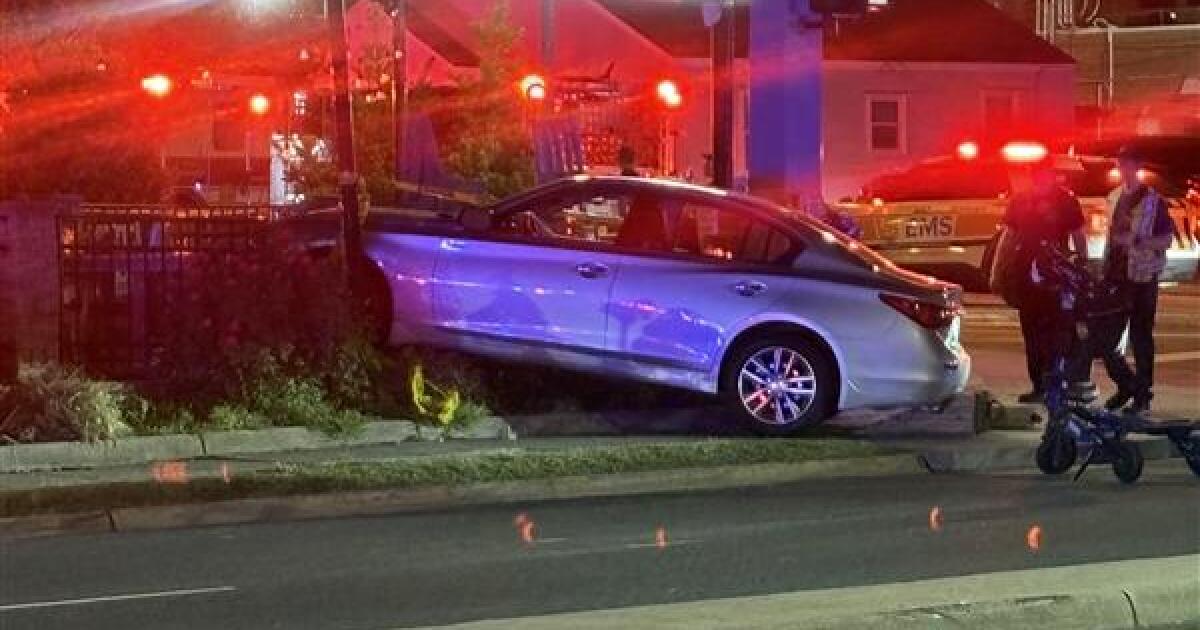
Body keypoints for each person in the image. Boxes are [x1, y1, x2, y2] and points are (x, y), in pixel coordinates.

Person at [1002, 159, 1088, 404]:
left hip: (1055, 274)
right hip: (1025, 273)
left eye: (1043, 174)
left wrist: (1081, 264)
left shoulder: (1065, 200)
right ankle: (1038, 385)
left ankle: (1057, 383)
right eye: (1036, 174)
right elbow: (1009, 235)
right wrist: (1001, 270)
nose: (1039, 179)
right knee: (1031, 332)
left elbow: (1078, 234)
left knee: (1057, 332)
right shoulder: (1021, 200)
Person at [1098, 146, 1174, 415]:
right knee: (1106, 339)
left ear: (1137, 166)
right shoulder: (1113, 197)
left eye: (1127, 164)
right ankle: (1127, 385)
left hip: (1142, 277)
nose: (1122, 169)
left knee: (1141, 338)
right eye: (1120, 163)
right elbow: (1110, 237)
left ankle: (1142, 395)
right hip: (1116, 276)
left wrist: (1139, 241)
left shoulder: (1153, 201)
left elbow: (1166, 241)